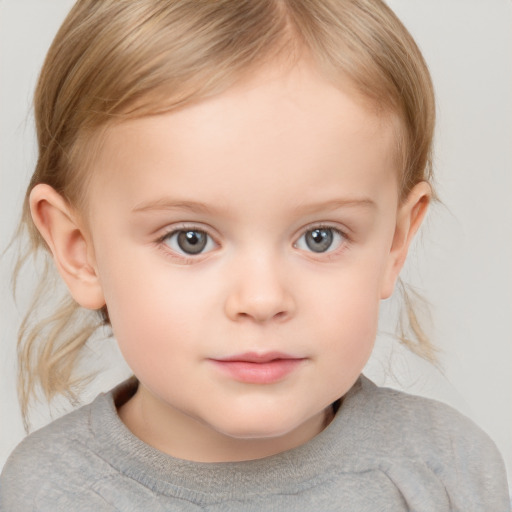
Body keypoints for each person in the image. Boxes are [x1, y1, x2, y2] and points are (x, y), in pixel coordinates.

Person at [0, 0, 509, 510]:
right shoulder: (54, 493)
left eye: (320, 237)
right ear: (79, 250)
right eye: (190, 239)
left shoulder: (446, 470)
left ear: (394, 245)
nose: (263, 300)